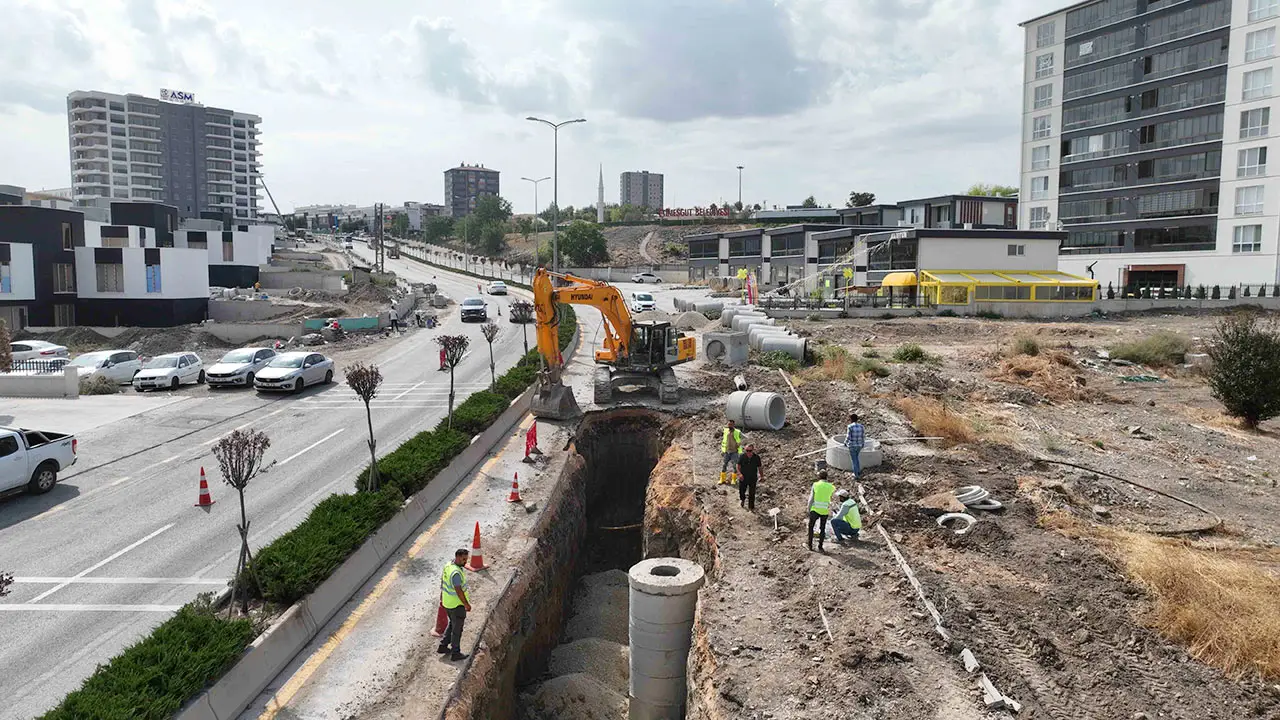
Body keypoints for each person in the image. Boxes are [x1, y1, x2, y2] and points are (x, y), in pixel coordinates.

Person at [437, 548, 472, 661]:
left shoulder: (448, 565)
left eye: (466, 559)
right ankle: (455, 653)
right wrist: (466, 604)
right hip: (457, 605)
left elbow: (443, 582)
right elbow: (458, 590)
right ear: (457, 557)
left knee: (452, 624)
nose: (465, 562)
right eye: (463, 559)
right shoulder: (456, 573)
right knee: (457, 629)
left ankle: (443, 646)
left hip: (447, 603)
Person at [807, 470, 836, 553]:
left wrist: (808, 508)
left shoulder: (815, 485)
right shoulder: (831, 487)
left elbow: (811, 498)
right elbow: (833, 499)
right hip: (824, 510)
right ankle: (820, 546)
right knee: (822, 528)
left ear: (819, 477)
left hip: (815, 509)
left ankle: (810, 545)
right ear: (827, 477)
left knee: (811, 527)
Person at [736, 444, 762, 510]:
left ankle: (751, 507)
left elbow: (760, 467)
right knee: (742, 490)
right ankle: (742, 500)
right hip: (743, 477)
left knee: (752, 493)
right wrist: (739, 474)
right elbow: (738, 465)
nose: (748, 452)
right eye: (747, 450)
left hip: (752, 478)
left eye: (750, 451)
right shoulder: (742, 456)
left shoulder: (757, 458)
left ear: (753, 450)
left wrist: (762, 476)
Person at [719, 420, 742, 485]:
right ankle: (722, 479)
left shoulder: (737, 432)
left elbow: (745, 438)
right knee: (724, 465)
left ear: (734, 425)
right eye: (729, 424)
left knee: (735, 466)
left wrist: (739, 444)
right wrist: (723, 450)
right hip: (727, 452)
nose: (729, 426)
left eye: (731, 424)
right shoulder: (726, 431)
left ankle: (733, 480)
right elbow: (724, 440)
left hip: (734, 452)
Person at [845, 413, 865, 479]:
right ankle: (858, 471)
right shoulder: (861, 426)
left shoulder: (850, 426)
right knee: (856, 458)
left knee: (854, 460)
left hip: (852, 446)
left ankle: (856, 475)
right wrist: (862, 444)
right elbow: (863, 436)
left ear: (851, 419)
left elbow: (848, 437)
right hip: (859, 445)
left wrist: (845, 443)